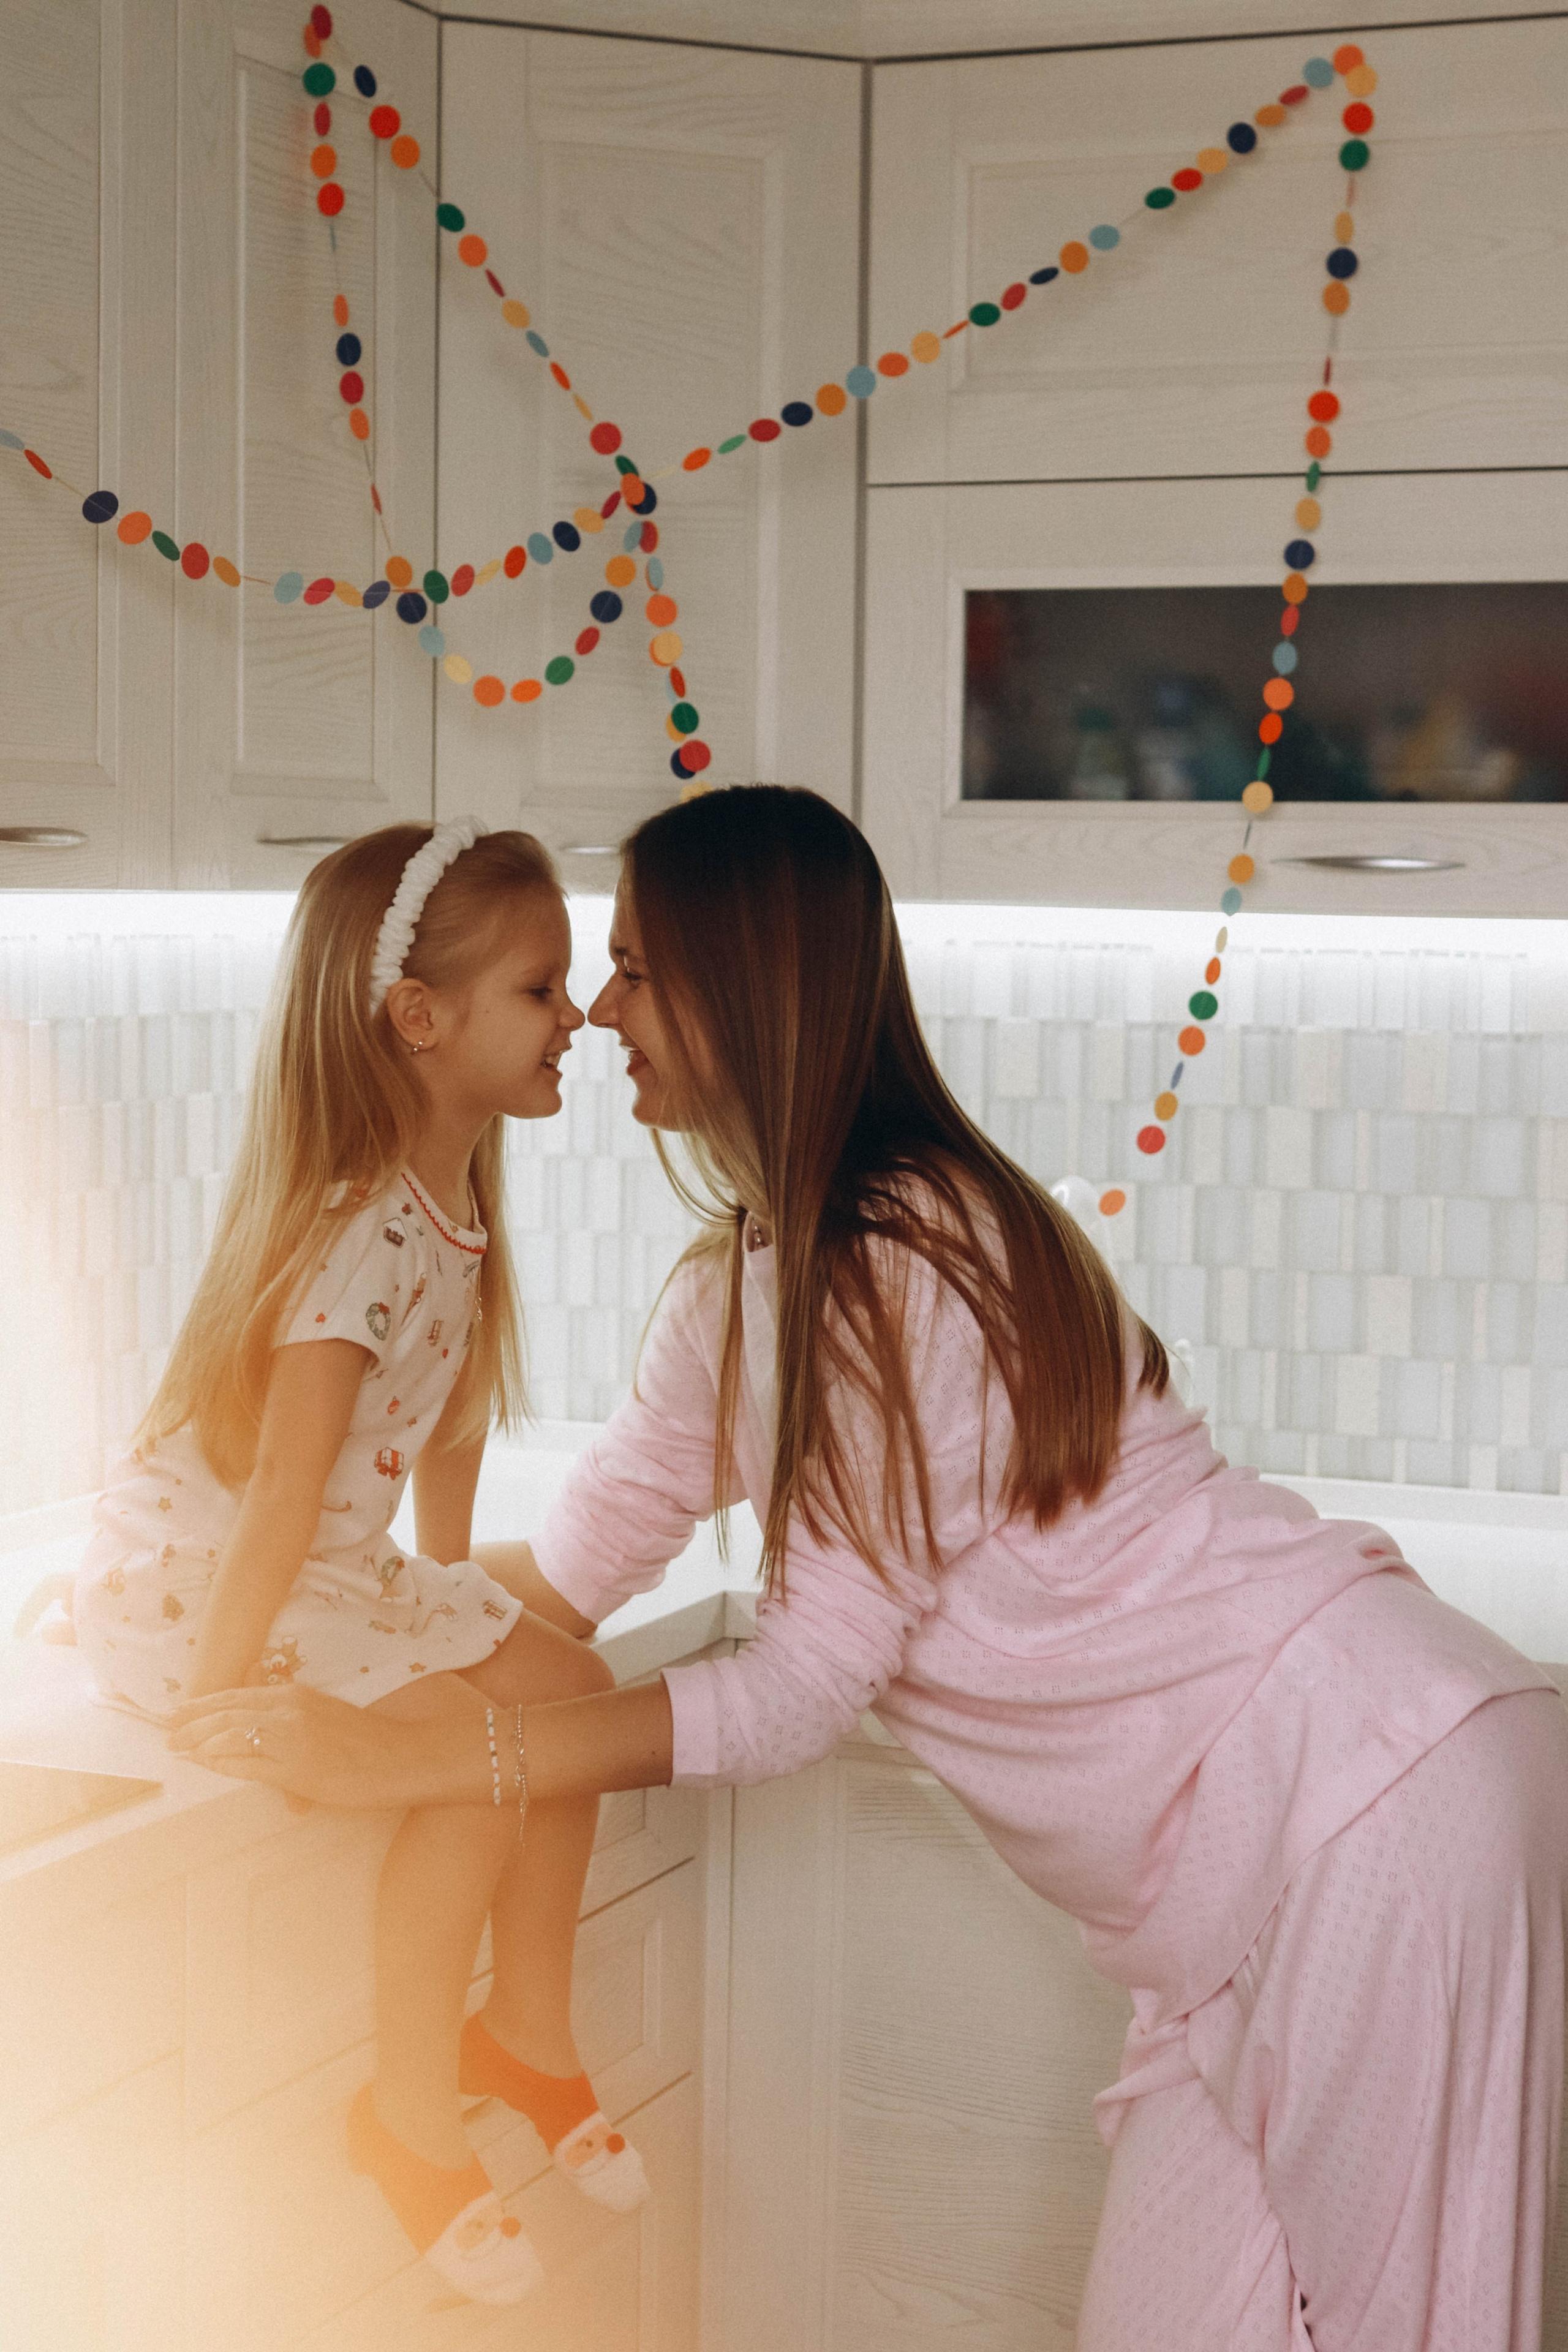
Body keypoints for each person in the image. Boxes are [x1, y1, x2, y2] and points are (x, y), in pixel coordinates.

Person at [173, 785, 1568, 2350]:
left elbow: (794, 1696)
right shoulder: (749, 1280)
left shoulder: (899, 1258)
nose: (603, 1006)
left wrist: (427, 1758)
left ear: (744, 989)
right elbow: (561, 1578)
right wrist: (232, 1595)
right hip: (1233, 1910)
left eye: (635, 966)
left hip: (1368, 1805)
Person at [77, 820, 652, 2310]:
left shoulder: (453, 1208)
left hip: (329, 1569)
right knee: (476, 1763)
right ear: (421, 1018)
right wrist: (217, 1696)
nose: (579, 1017)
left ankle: (522, 2033)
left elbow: (446, 1426)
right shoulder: (350, 1235)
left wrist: (456, 1610)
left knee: (566, 1696)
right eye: (543, 990)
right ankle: (407, 2118)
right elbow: (274, 1490)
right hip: (212, 1579)